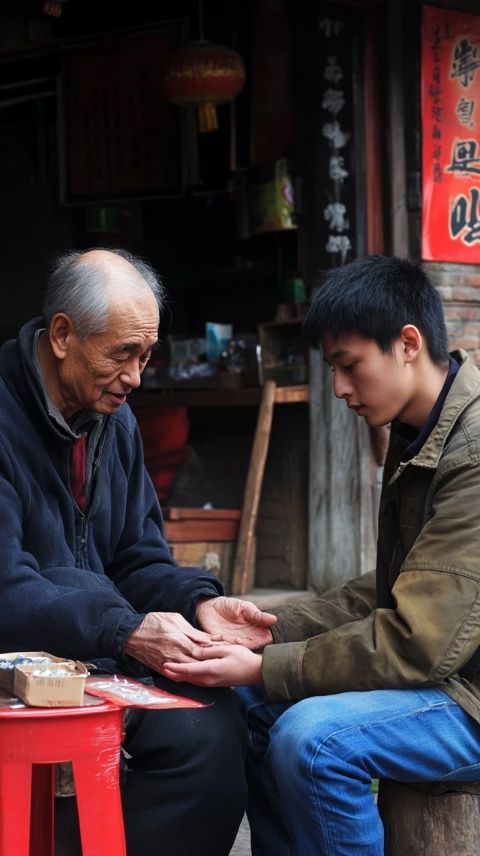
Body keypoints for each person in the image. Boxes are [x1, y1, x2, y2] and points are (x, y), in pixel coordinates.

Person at [163, 255, 480, 856]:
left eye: (349, 365)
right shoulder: (418, 431)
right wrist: (268, 631)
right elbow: (392, 586)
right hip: (450, 672)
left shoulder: (472, 451)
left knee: (314, 740)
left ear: (407, 344)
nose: (338, 388)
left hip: (469, 695)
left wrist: (266, 663)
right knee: (250, 705)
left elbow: (419, 640)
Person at [0, 247, 276, 856]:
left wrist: (200, 604)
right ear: (64, 335)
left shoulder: (114, 422)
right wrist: (125, 629)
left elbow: (137, 558)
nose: (136, 377)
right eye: (122, 354)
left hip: (92, 651)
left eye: (145, 355)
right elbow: (7, 586)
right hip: (18, 659)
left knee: (217, 717)